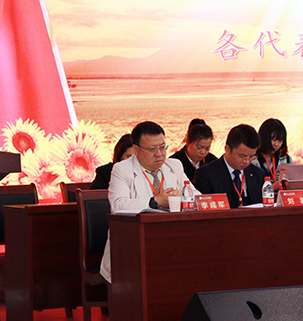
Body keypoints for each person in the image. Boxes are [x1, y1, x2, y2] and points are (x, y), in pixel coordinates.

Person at [100, 121, 200, 283]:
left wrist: (182, 199)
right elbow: (118, 206)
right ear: (136, 150)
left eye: (163, 147)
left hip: (172, 241)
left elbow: (197, 198)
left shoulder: (174, 166)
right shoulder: (122, 169)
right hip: (133, 245)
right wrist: (155, 202)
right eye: (152, 149)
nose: (159, 154)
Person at [194, 124, 265, 208]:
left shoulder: (258, 174)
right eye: (242, 156)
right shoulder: (206, 174)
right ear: (227, 149)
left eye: (252, 156)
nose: (247, 161)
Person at [253, 118, 293, 189]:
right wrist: (273, 187)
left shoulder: (285, 159)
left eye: (280, 141)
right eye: (273, 140)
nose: (276, 144)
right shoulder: (252, 159)